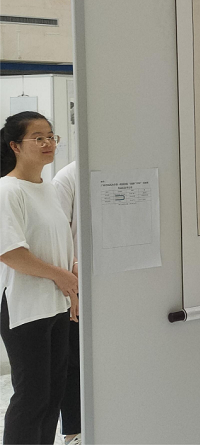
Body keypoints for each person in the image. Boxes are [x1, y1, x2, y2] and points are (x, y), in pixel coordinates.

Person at [0, 111, 78, 444]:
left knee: (52, 394)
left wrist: (71, 282)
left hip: (56, 304)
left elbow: (58, 244)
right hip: (25, 307)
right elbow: (11, 253)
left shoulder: (47, 188)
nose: (48, 143)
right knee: (30, 397)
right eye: (38, 138)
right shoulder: (7, 190)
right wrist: (61, 276)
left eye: (51, 137)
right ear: (15, 146)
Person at [53, 160, 81, 445]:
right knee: (74, 360)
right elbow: (59, 235)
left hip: (116, 285)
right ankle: (74, 433)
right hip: (78, 283)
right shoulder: (67, 178)